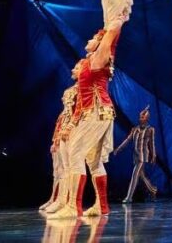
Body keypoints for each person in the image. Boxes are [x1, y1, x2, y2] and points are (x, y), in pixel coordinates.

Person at [48, 15, 126, 218]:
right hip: (91, 112)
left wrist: (116, 21)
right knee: (93, 160)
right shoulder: (88, 61)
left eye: (93, 38)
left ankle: (73, 207)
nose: (89, 40)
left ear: (99, 43)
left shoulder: (99, 57)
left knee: (75, 154)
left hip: (97, 111)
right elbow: (80, 101)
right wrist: (73, 123)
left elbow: (110, 37)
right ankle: (102, 206)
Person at [40, 85, 78, 214]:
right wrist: (55, 141)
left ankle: (62, 200)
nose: (63, 99)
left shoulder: (73, 114)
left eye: (66, 97)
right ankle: (54, 199)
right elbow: (59, 128)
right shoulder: (63, 114)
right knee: (57, 172)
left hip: (68, 140)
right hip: (59, 141)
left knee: (65, 170)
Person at [114, 105, 158, 203]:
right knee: (141, 175)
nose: (140, 119)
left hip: (143, 156)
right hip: (136, 156)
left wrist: (154, 155)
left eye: (143, 117)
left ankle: (129, 197)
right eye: (140, 117)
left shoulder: (150, 129)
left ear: (147, 118)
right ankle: (153, 190)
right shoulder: (135, 129)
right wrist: (118, 149)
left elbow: (152, 144)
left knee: (135, 175)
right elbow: (127, 140)